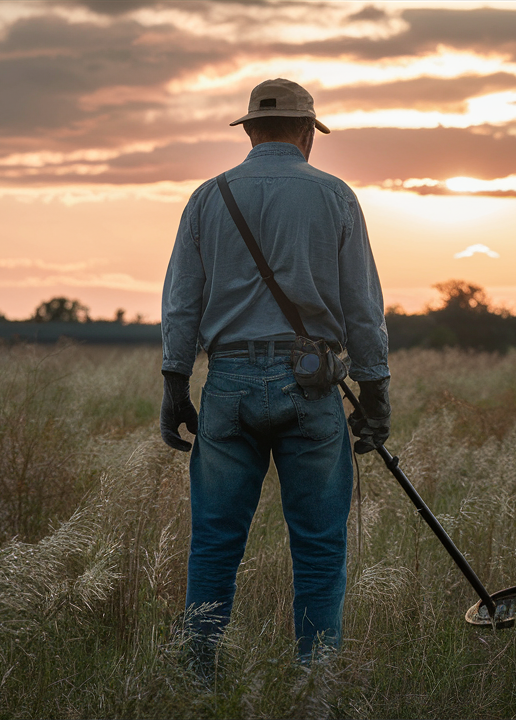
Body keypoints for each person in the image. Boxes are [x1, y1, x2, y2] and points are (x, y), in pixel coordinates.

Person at [159, 78, 391, 666]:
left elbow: (182, 301)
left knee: (214, 546)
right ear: (309, 132)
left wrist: (173, 383)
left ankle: (195, 684)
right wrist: (375, 392)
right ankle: (316, 686)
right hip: (310, 388)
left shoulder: (208, 196)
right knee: (318, 549)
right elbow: (362, 304)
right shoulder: (334, 195)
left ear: (251, 131)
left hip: (228, 386)